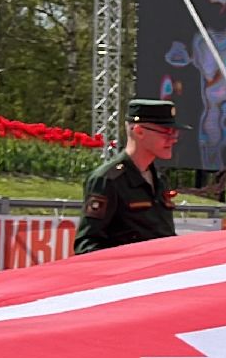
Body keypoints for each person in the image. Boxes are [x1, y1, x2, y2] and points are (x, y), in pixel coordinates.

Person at [76, 99, 185, 255]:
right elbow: (87, 244)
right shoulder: (108, 179)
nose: (173, 139)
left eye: (175, 133)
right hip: (131, 273)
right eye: (166, 132)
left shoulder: (159, 179)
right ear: (139, 131)